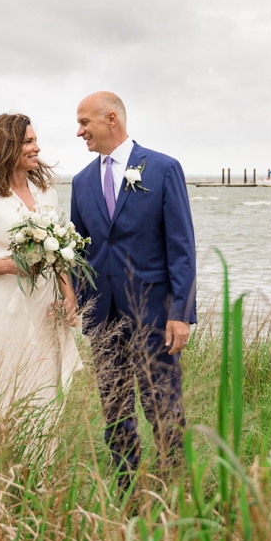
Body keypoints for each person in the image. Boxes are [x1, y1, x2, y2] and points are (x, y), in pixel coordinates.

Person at [69, 91, 196, 487]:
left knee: (164, 406)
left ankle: (174, 486)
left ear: (111, 119)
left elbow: (182, 247)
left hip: (154, 315)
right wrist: (77, 301)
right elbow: (79, 249)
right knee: (115, 408)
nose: (79, 132)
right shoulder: (81, 181)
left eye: (84, 122)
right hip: (102, 316)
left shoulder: (162, 169)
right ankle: (127, 489)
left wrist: (180, 313)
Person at [0, 113, 83, 414]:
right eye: (28, 141)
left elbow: (58, 257)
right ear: (6, 147)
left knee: (43, 388)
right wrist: (12, 266)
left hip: (44, 307)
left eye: (35, 140)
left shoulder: (47, 193)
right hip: (5, 309)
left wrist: (68, 297)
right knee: (1, 384)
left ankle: (40, 460)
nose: (36, 147)